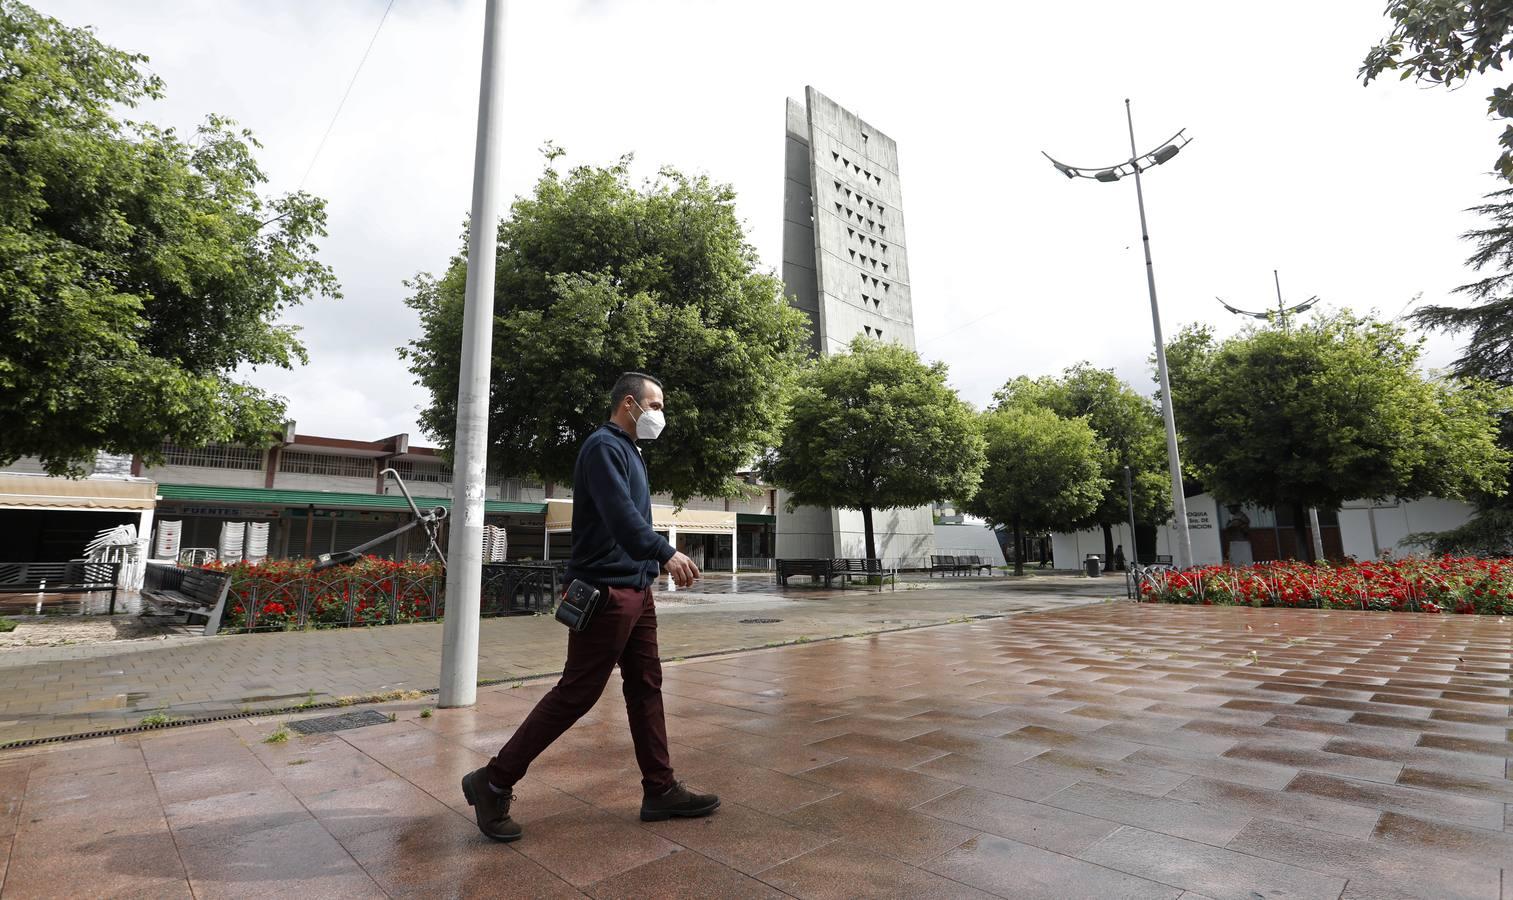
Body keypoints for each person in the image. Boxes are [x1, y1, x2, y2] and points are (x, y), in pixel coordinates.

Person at [462, 372, 719, 842]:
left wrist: (650, 568)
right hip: (606, 592)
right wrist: (665, 552)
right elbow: (622, 518)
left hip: (635, 591)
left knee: (645, 687)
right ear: (630, 404)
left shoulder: (631, 451)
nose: (661, 415)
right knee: (578, 692)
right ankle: (493, 781)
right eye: (656, 405)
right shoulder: (603, 447)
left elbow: (630, 518)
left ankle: (660, 789)